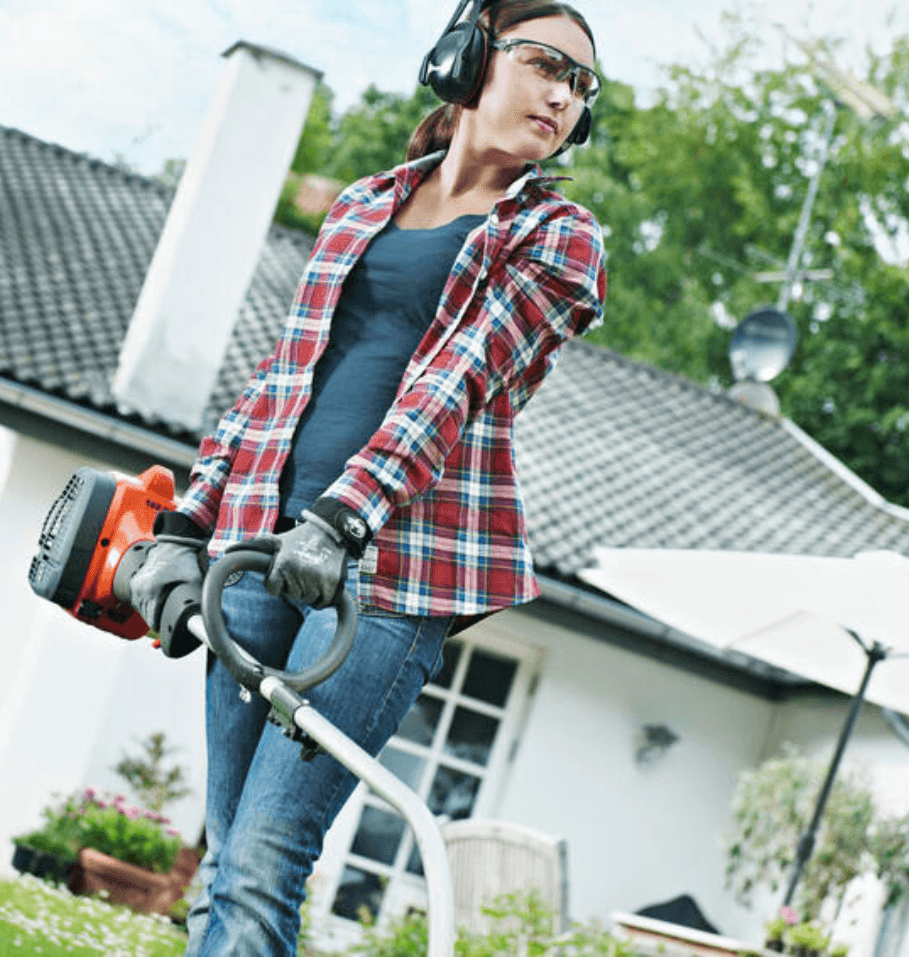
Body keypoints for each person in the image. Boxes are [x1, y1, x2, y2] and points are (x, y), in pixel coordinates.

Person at [131, 1, 607, 953]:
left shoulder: (560, 239)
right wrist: (185, 523)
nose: (562, 95)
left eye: (582, 85)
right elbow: (281, 380)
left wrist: (346, 516)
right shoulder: (361, 203)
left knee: (268, 850)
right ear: (467, 57)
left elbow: (455, 381)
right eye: (547, 63)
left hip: (392, 572)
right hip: (265, 539)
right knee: (223, 855)